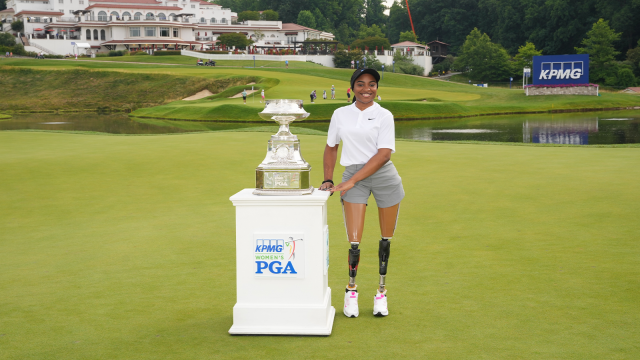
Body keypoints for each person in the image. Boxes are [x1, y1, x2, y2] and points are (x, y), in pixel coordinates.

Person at [320, 68, 404, 318]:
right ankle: (351, 291)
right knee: (354, 240)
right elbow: (331, 147)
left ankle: (381, 292)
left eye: (372, 84)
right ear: (352, 87)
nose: (367, 88)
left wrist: (351, 181)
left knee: (385, 238)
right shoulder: (340, 114)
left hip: (383, 175)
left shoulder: (384, 115)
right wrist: (328, 178)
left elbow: (384, 154)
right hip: (352, 175)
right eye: (360, 84)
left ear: (377, 88)